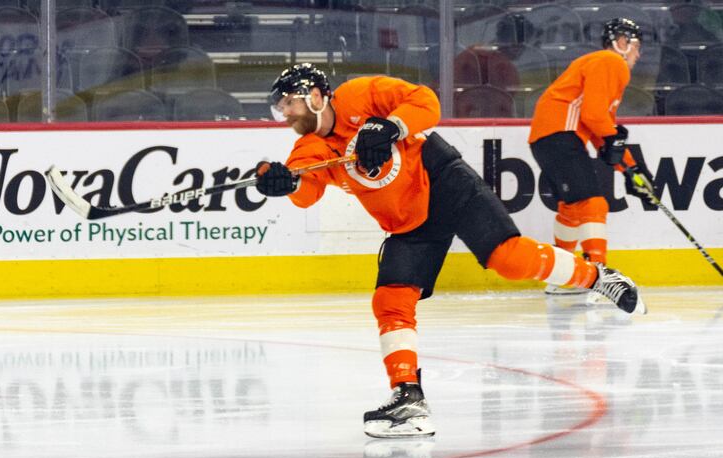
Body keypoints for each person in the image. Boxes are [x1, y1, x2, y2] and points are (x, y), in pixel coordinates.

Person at [255, 62, 646, 439]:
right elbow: (306, 192)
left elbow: (426, 102)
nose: (286, 113)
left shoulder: (360, 95)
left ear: (318, 95)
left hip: (443, 179)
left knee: (509, 259)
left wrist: (390, 125)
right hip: (408, 220)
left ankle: (597, 277)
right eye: (282, 107)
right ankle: (408, 397)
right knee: (390, 300)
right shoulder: (308, 149)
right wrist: (282, 183)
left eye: (290, 102)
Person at [528, 18, 656, 295]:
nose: (639, 54)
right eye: (637, 47)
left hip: (548, 138)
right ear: (622, 43)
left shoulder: (601, 66)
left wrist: (634, 171)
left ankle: (562, 276)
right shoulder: (612, 63)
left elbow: (604, 132)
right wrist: (615, 142)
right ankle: (600, 277)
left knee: (573, 208)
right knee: (593, 203)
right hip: (560, 135)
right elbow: (596, 118)